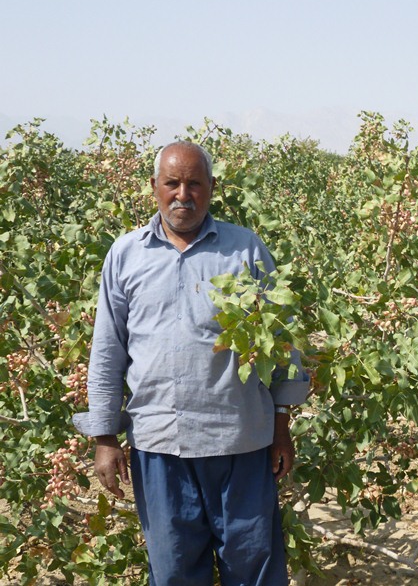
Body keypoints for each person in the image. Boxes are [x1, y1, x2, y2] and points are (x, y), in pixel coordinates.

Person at [73, 141, 309, 586]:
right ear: (154, 188)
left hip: (240, 441)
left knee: (254, 568)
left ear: (212, 188)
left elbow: (282, 342)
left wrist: (282, 426)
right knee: (176, 570)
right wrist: (104, 437)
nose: (184, 194)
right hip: (160, 443)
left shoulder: (245, 250)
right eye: (173, 183)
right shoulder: (126, 255)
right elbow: (107, 350)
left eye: (195, 183)